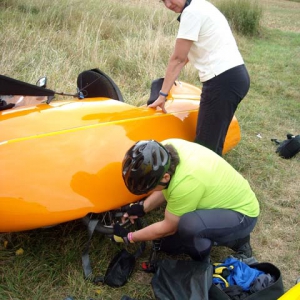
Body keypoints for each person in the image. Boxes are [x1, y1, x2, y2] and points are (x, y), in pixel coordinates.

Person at [113, 138, 259, 263]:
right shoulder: (167, 150)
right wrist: (142, 207)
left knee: (190, 227)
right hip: (220, 197)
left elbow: (168, 227)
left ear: (165, 178)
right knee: (169, 246)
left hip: (243, 214)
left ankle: (210, 258)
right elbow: (166, 188)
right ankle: (222, 233)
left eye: (150, 187)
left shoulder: (186, 182)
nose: (149, 191)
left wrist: (130, 237)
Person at [148, 0, 250, 156]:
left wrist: (162, 95)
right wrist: (167, 82)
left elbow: (178, 59)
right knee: (214, 138)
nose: (168, 5)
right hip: (235, 77)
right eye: (163, 1)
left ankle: (208, 177)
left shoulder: (191, 13)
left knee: (205, 147)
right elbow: (187, 55)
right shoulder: (201, 6)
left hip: (222, 81)